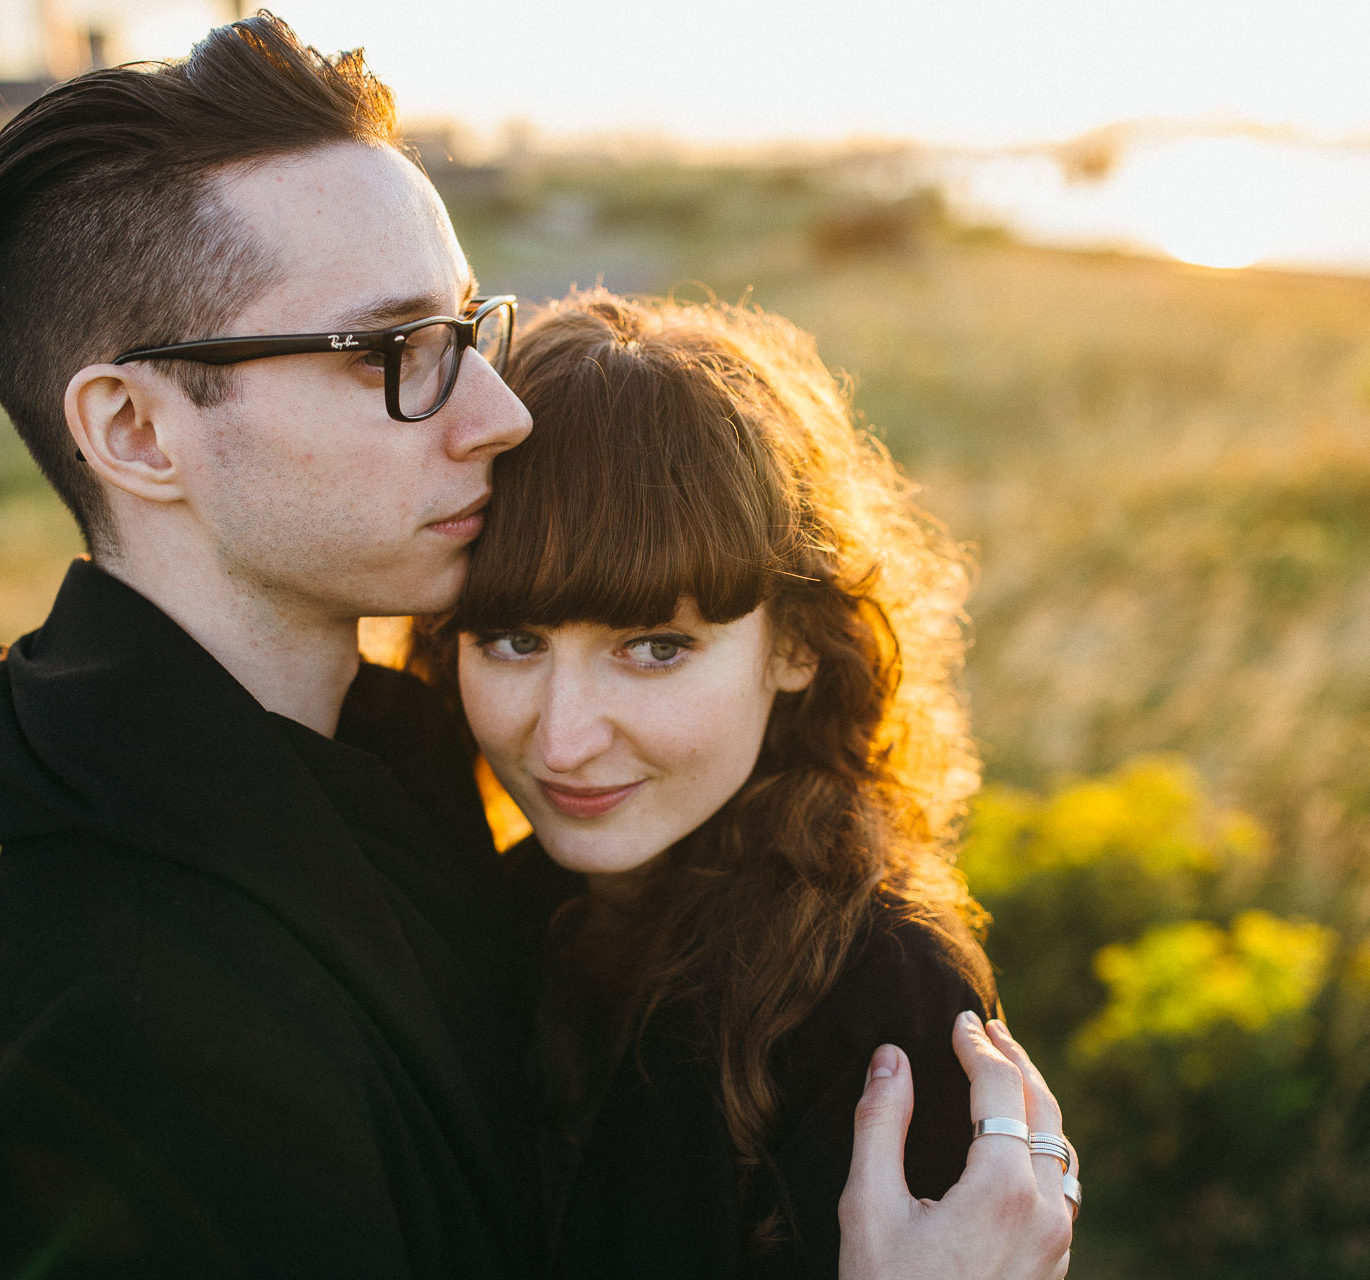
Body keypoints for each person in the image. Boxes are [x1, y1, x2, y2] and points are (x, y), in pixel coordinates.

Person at [0, 13, 1073, 1279]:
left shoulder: (406, 804)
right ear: (139, 431)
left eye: (468, 330)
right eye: (392, 353)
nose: (500, 406)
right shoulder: (131, 1014)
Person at [420, 291, 1079, 1276]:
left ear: (798, 644)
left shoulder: (880, 1004)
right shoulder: (490, 915)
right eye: (513, 640)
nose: (560, 737)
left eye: (653, 646)